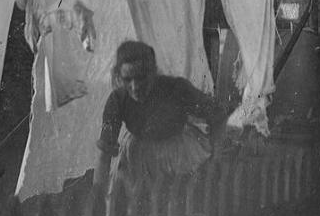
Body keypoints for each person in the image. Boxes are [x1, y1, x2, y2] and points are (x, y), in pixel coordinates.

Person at [93, 40, 228, 193]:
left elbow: (218, 115)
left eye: (141, 78)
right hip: (139, 155)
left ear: (153, 72)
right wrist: (98, 194)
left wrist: (216, 159)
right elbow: (104, 152)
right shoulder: (117, 100)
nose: (135, 86)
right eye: (127, 79)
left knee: (182, 195)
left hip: (179, 152)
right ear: (119, 76)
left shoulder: (176, 88)